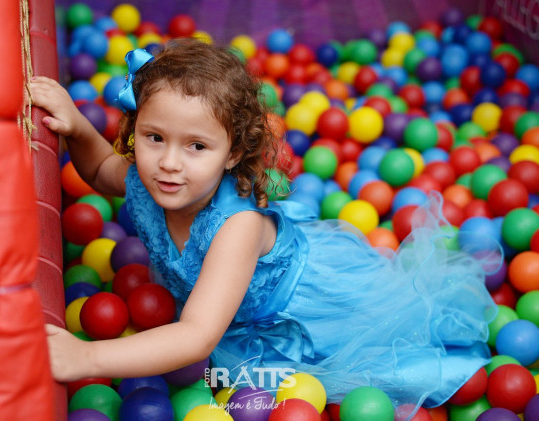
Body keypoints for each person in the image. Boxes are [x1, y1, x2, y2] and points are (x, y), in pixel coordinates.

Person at [31, 38, 501, 410]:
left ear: (232, 153)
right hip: (213, 311)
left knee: (310, 379)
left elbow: (197, 336)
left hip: (293, 313)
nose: (169, 162)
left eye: (197, 146)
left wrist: (86, 356)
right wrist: (77, 127)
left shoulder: (236, 227)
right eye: (155, 137)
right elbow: (99, 170)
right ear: (136, 131)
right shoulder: (144, 177)